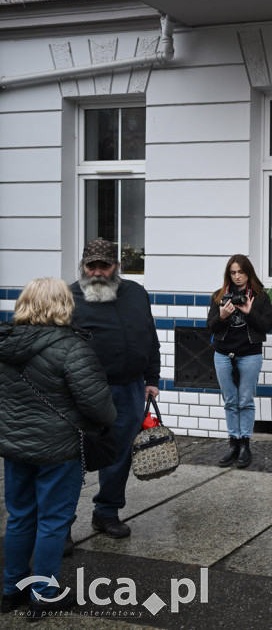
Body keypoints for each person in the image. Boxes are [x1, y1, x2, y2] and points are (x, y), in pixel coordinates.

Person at [0, 278, 117, 619]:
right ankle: (44, 593)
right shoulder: (71, 347)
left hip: (15, 448)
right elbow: (100, 408)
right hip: (59, 450)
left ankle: (11, 590)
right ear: (64, 305)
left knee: (19, 518)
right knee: (52, 522)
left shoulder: (5, 344)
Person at [70, 238, 160, 541]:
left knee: (119, 454)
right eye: (91, 266)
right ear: (83, 266)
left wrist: (152, 378)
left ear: (117, 266)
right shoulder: (68, 297)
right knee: (74, 456)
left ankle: (106, 513)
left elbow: (150, 337)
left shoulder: (136, 293)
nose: (97, 272)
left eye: (104, 266)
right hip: (83, 391)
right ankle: (61, 524)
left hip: (129, 388)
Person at [207, 254, 272, 469]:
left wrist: (249, 312)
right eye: (233, 272)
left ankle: (245, 444)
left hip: (250, 354)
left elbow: (266, 326)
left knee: (245, 400)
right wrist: (222, 316)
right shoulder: (219, 296)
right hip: (223, 355)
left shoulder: (260, 297)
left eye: (241, 272)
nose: (237, 277)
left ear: (248, 273)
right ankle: (233, 443)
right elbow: (210, 326)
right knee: (230, 400)